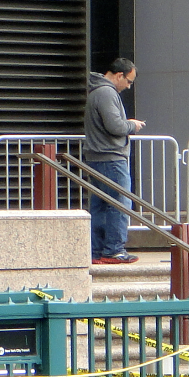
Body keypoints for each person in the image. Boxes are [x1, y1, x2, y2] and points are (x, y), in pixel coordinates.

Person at [84, 59, 145, 264]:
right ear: (119, 75)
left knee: (100, 205)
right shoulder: (107, 93)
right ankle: (114, 250)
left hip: (97, 157)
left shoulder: (96, 91)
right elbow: (115, 126)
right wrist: (131, 125)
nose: (128, 86)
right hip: (111, 157)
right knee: (120, 203)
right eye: (129, 81)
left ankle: (97, 251)